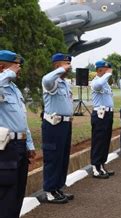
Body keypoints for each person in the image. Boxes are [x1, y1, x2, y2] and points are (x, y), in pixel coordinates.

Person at [0, 50, 34, 218]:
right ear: (3, 66)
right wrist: (7, 73)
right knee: (5, 187)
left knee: (18, 187)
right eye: (15, 65)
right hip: (5, 145)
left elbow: (22, 119)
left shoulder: (14, 89)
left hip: (19, 143)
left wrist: (29, 143)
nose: (18, 68)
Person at [40, 53, 74, 203]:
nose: (68, 67)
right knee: (53, 157)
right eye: (65, 65)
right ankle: (49, 190)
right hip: (53, 124)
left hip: (65, 124)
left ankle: (57, 187)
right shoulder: (51, 82)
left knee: (62, 157)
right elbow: (47, 79)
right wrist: (60, 70)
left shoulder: (65, 83)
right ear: (57, 66)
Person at [90, 60, 115, 178]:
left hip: (107, 115)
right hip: (100, 115)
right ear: (100, 70)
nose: (108, 72)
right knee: (98, 141)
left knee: (105, 141)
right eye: (106, 70)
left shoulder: (106, 84)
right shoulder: (95, 82)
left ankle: (102, 165)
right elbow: (99, 85)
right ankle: (96, 167)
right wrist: (107, 74)